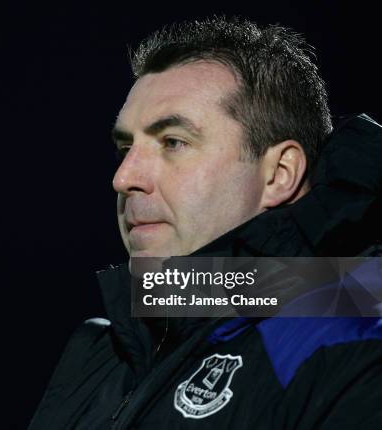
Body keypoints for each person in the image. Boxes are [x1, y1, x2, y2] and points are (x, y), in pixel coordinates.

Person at [29, 16, 382, 429]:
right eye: (126, 147)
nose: (123, 178)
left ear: (279, 174)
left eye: (173, 142)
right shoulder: (100, 351)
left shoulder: (356, 339)